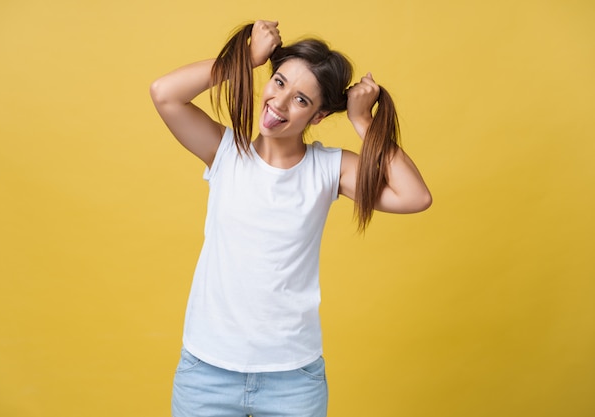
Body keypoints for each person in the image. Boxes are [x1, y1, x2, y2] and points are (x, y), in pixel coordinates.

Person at [150, 20, 431, 417]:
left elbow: (415, 196)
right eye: (279, 82)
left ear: (318, 116)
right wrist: (245, 59)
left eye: (301, 100)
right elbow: (164, 94)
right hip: (206, 372)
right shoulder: (226, 152)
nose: (279, 103)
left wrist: (363, 122)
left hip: (292, 380)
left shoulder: (328, 169)